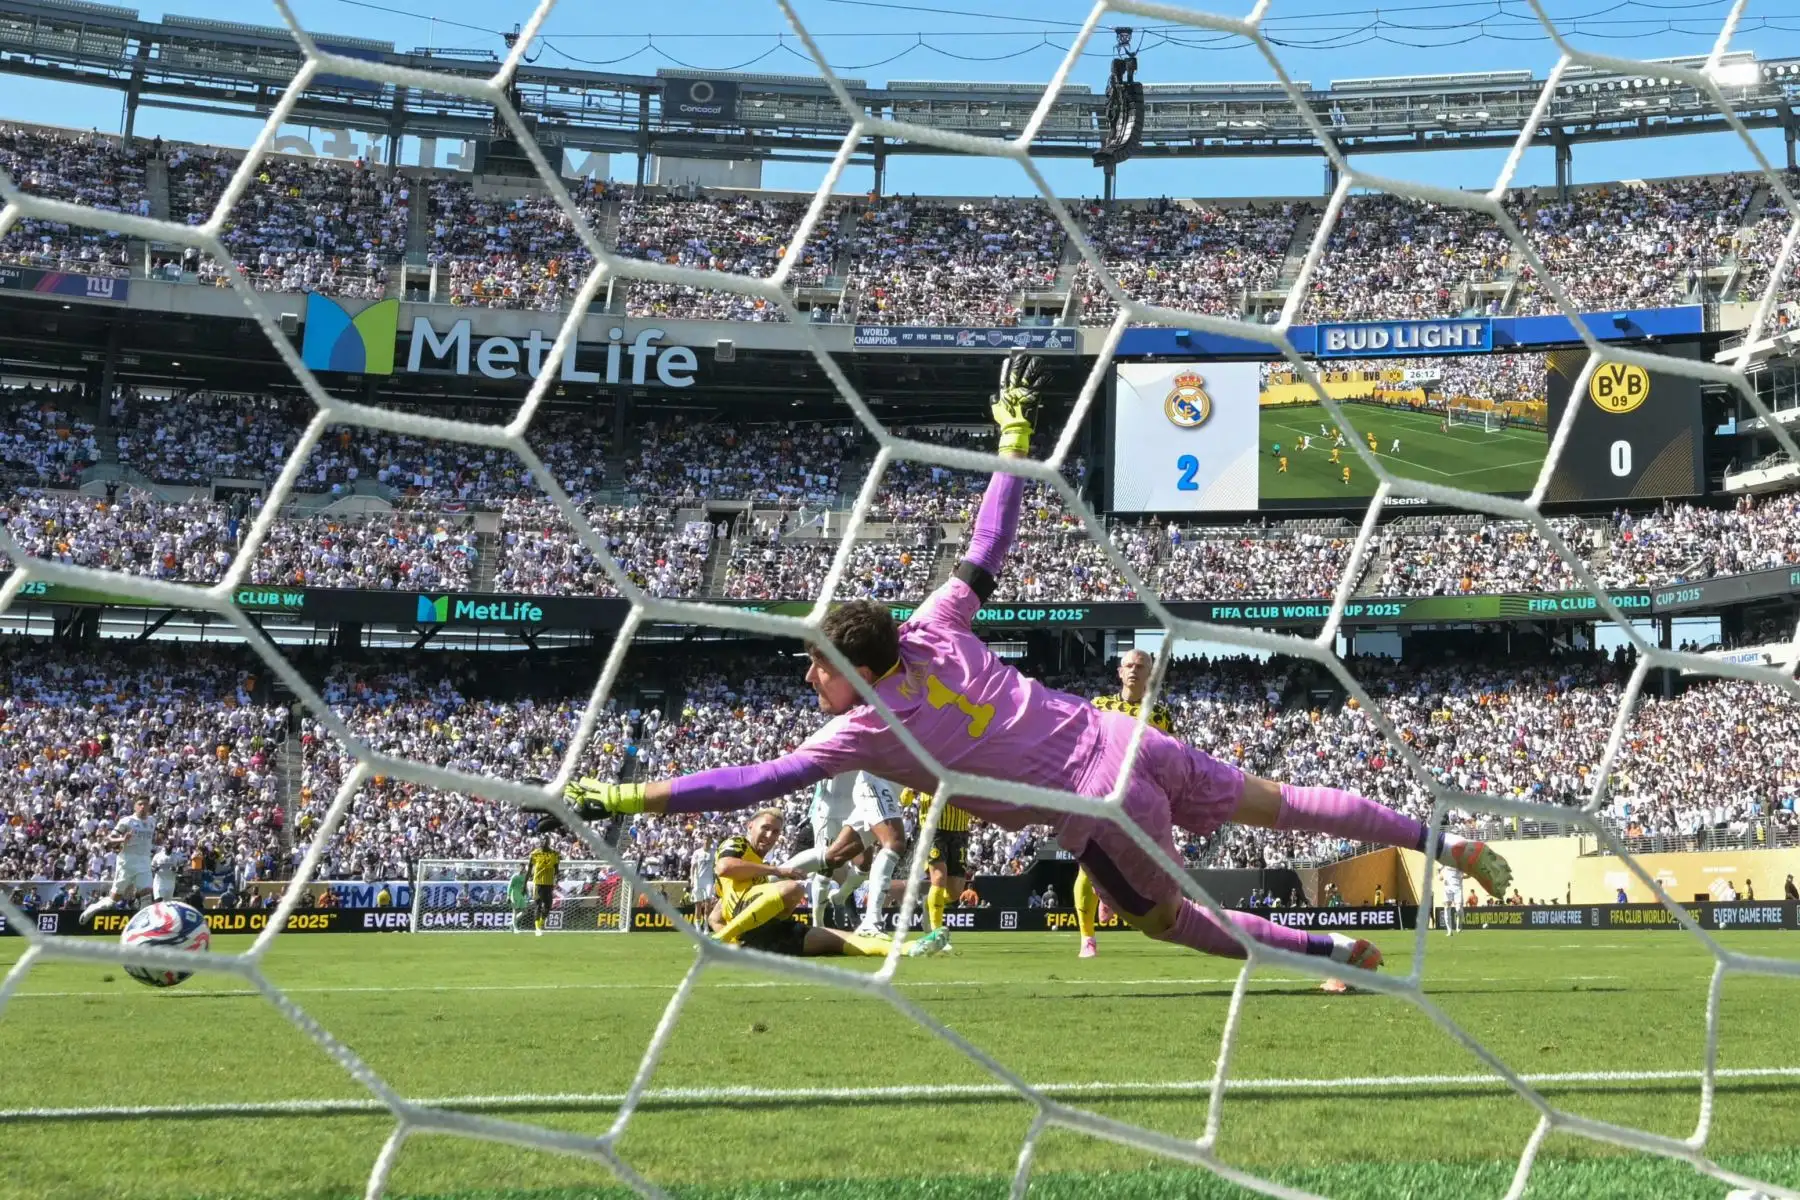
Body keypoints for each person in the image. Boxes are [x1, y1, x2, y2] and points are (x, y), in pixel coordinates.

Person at [560, 352, 1511, 979]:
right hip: (1126, 738)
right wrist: (1013, 440)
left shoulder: (861, 730)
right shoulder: (936, 622)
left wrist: (635, 798)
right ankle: (1449, 843)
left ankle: (1329, 951)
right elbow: (991, 536)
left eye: (817, 667)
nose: (809, 679)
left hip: (1100, 806)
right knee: (1285, 799)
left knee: (1164, 918)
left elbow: (750, 780)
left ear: (853, 669)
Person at [1076, 648, 1175, 958]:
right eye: (1129, 665)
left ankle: (1108, 896)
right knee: (1085, 869)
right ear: (1119, 672)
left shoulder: (1159, 717)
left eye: (1141, 666)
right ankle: (1087, 939)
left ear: (1150, 675)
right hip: (1097, 798)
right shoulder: (1099, 707)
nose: (1134, 670)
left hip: (1137, 804)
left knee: (1136, 870)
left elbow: (1168, 764)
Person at [710, 808, 894, 957]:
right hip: (750, 929)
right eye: (764, 828)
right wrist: (778, 870)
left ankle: (906, 948)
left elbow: (714, 917)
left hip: (770, 935)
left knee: (843, 940)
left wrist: (735, 948)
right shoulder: (738, 844)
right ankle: (723, 937)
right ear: (750, 826)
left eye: (775, 832)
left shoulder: (756, 871)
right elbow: (724, 867)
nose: (769, 835)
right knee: (792, 888)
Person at [783, 771, 908, 937]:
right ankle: (818, 922)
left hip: (857, 803)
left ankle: (840, 897)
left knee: (864, 864)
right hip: (830, 810)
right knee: (828, 865)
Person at [901, 787, 975, 957]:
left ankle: (930, 902)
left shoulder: (965, 768)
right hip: (933, 829)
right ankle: (937, 934)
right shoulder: (927, 768)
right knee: (939, 878)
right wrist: (910, 789)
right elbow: (904, 800)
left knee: (955, 892)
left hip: (960, 831)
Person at [79, 798, 156, 924]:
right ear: (135, 807)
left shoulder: (152, 821)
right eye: (140, 804)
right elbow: (108, 840)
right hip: (127, 863)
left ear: (149, 807)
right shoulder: (127, 821)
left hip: (144, 862)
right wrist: (122, 839)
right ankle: (93, 907)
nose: (143, 807)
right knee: (112, 901)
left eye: (146, 804)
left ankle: (142, 928)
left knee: (147, 897)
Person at [528, 835, 560, 937]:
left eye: (547, 840)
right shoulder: (535, 854)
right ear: (540, 841)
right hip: (538, 883)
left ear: (550, 841)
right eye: (543, 840)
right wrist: (525, 883)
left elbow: (556, 869)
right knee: (538, 905)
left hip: (549, 883)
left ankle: (540, 924)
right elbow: (529, 869)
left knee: (548, 906)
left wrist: (556, 879)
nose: (545, 842)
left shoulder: (554, 854)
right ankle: (537, 929)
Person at [1440, 861, 1463, 936]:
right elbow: (1438, 870)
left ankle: (1458, 926)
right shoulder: (1445, 859)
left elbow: (1466, 874)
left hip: (1457, 888)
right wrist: (1439, 876)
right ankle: (1449, 931)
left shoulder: (1460, 861)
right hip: (1447, 888)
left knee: (1458, 909)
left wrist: (1466, 876)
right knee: (1447, 907)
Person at [507, 863, 532, 934]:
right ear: (518, 868)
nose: (523, 869)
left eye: (524, 868)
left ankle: (511, 923)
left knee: (525, 911)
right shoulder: (515, 876)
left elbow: (525, 886)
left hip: (521, 895)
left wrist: (528, 895)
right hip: (514, 894)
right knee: (515, 911)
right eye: (521, 867)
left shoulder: (524, 876)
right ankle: (515, 928)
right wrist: (508, 896)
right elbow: (510, 886)